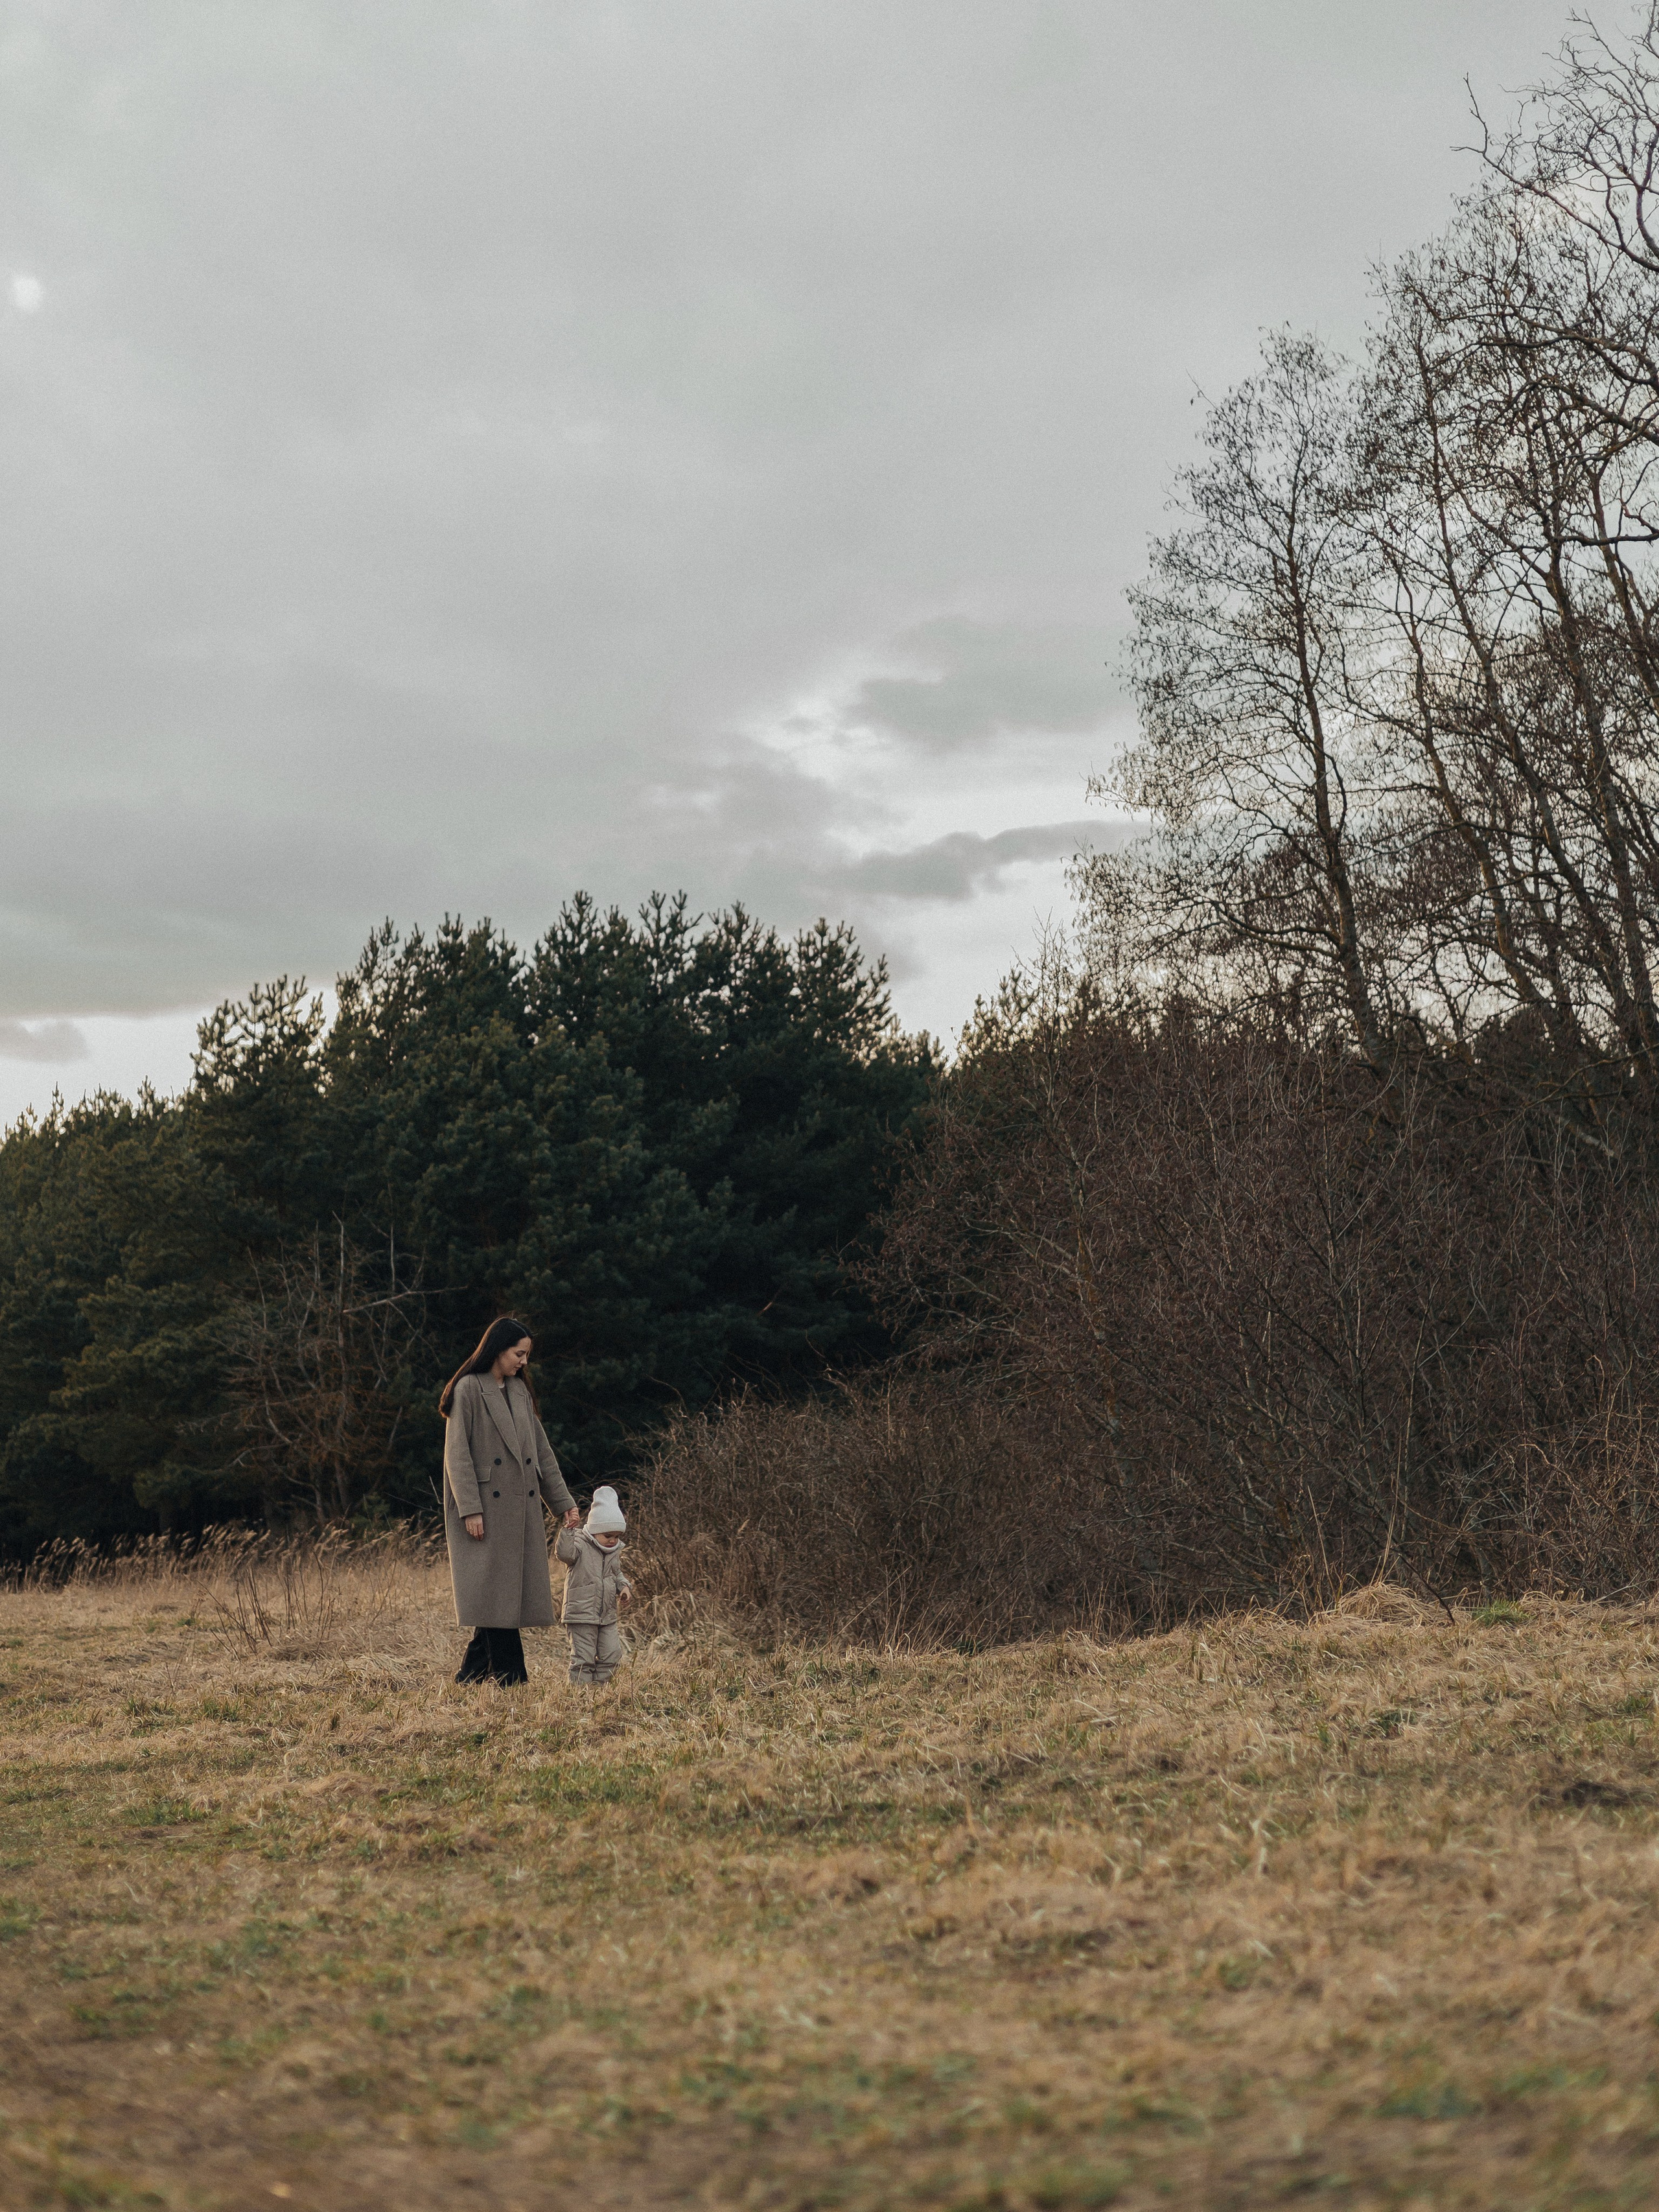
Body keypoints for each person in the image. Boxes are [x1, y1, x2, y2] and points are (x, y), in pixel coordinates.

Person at [439, 1317, 578, 1684]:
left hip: (520, 1510)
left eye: (527, 1355)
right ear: (498, 1349)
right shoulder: (468, 1389)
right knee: (496, 1597)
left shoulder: (518, 1391)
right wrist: (470, 1509)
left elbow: (542, 1454)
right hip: (483, 1509)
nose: (524, 1362)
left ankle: (469, 1678)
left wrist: (564, 1504)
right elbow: (457, 1456)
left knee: (498, 1598)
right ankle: (512, 1680)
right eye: (519, 1353)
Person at [555, 1484, 632, 1686]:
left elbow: (616, 1574)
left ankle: (599, 1690)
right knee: (583, 1659)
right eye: (608, 1536)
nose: (612, 1540)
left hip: (607, 1615)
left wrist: (624, 1587)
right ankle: (580, 1694)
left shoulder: (613, 1551)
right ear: (596, 1529)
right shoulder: (580, 1543)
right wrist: (568, 1532)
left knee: (611, 1655)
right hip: (581, 1614)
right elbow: (564, 1554)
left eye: (616, 1536)